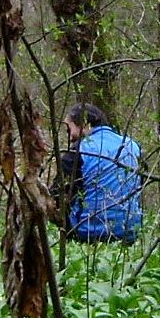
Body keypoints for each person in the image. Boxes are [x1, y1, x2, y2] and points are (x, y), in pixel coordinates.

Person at [55, 103, 143, 244]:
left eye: (69, 129)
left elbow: (57, 195)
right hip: (130, 231)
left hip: (88, 233)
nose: (70, 136)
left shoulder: (79, 151)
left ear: (84, 124)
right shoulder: (133, 146)